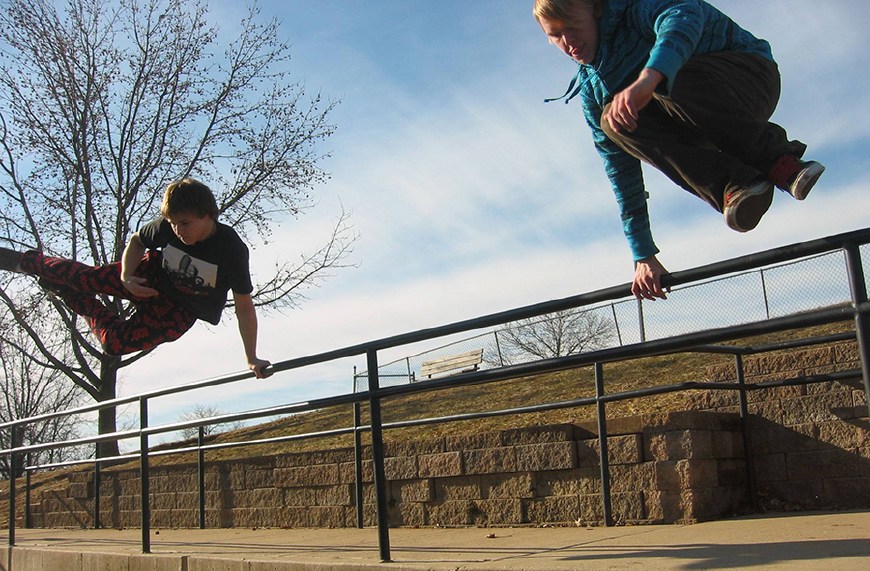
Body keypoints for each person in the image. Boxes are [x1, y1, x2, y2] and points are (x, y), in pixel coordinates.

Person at [534, 0, 824, 301]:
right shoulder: (594, 91)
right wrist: (643, 254)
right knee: (612, 121)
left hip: (745, 76)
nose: (568, 43)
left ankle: (780, 160)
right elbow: (621, 173)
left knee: (665, 76)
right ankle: (738, 185)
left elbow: (684, 16)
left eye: (573, 27)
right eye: (555, 35)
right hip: (696, 124)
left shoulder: (635, 9)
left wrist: (649, 77)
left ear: (595, 9)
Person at [0, 178, 271, 378]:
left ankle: (70, 296)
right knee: (85, 278)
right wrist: (127, 275)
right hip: (150, 276)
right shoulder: (167, 227)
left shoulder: (231, 249)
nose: (177, 231)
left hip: (178, 310)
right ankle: (28, 262)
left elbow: (244, 307)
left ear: (208, 215)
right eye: (173, 223)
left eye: (185, 224)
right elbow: (137, 241)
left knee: (113, 344)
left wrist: (251, 357)